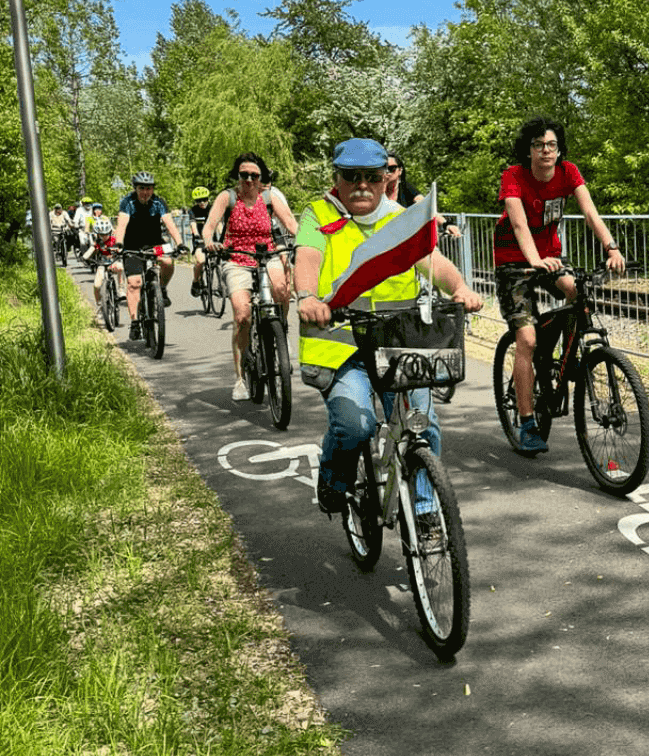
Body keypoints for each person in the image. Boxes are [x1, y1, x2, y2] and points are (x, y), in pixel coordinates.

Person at [294, 138, 482, 515]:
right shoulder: (318, 214)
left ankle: (428, 512)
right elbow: (308, 257)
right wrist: (307, 297)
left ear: (385, 179)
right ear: (337, 178)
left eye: (372, 176)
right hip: (342, 346)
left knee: (423, 426)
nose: (361, 185)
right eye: (351, 176)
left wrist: (459, 287)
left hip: (397, 345)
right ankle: (333, 478)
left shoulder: (401, 219)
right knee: (355, 426)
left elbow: (433, 260)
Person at [493, 116, 625, 453]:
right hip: (514, 261)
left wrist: (611, 247)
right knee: (526, 338)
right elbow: (519, 224)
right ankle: (525, 423)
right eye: (538, 145)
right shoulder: (514, 176)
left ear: (559, 149)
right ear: (528, 151)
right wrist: (533, 259)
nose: (545, 151)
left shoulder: (568, 172)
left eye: (551, 145)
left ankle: (570, 360)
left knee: (577, 290)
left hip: (550, 257)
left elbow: (591, 213)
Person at [203, 153, 299, 401]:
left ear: (261, 178)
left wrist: (305, 242)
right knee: (242, 314)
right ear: (237, 176)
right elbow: (210, 225)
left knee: (282, 289)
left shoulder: (269, 198)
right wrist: (209, 242)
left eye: (254, 175)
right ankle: (240, 377)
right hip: (235, 258)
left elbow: (290, 222)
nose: (248, 179)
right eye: (243, 175)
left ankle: (281, 329)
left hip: (267, 255)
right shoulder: (228, 197)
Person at [112, 172, 184, 341]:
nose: (145, 192)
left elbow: (170, 224)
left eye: (149, 188)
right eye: (142, 188)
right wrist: (119, 243)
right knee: (134, 282)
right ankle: (135, 321)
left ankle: (162, 288)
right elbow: (121, 225)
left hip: (155, 245)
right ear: (135, 189)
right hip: (132, 246)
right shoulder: (127, 202)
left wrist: (180, 243)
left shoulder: (159, 202)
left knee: (167, 261)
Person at [188, 187, 213, 296]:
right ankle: (196, 281)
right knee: (201, 260)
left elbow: (219, 224)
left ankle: (222, 285)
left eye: (204, 199)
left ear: (208, 199)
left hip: (212, 239)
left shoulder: (213, 208)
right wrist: (197, 236)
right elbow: (193, 225)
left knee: (223, 262)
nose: (202, 202)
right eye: (199, 200)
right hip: (200, 240)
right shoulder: (193, 211)